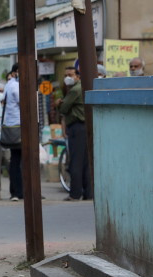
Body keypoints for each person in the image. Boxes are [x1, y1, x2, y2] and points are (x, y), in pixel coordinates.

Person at [57, 66, 91, 201]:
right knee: (85, 162)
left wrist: (59, 103)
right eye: (66, 75)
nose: (67, 78)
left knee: (76, 162)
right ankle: (88, 193)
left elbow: (64, 109)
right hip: (84, 128)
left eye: (70, 75)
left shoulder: (75, 90)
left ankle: (75, 193)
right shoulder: (80, 88)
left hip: (77, 128)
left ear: (77, 76)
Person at [2, 64, 23, 201]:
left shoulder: (9, 85)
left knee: (15, 159)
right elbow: (24, 102)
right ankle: (18, 192)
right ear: (17, 72)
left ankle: (16, 191)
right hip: (18, 126)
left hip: (11, 125)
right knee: (19, 160)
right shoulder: (15, 86)